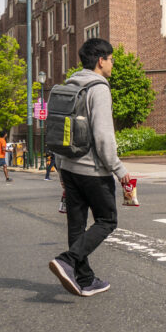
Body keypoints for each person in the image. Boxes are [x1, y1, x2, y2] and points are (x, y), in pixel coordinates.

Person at [48, 38, 132, 297]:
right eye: (111, 59)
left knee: (76, 225)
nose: (112, 63)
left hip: (69, 167)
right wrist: (118, 170)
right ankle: (68, 260)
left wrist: (61, 167)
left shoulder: (70, 85)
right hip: (93, 170)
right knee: (107, 221)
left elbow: (60, 129)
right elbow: (104, 136)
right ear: (100, 60)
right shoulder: (99, 88)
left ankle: (84, 279)